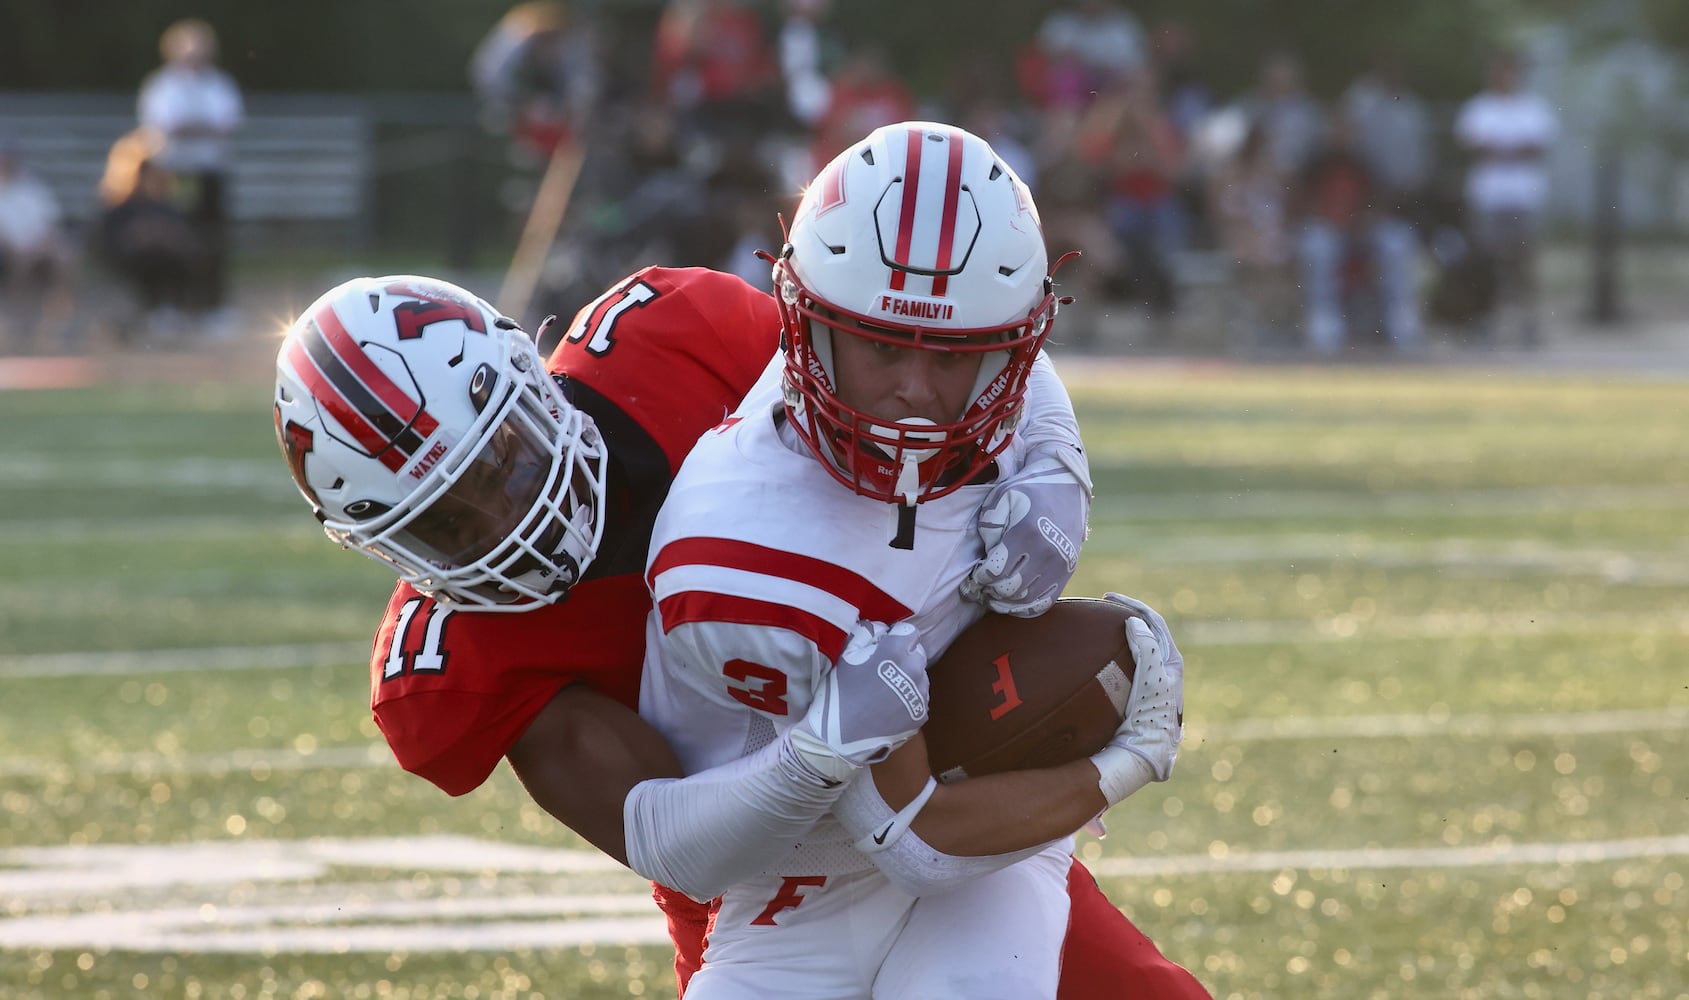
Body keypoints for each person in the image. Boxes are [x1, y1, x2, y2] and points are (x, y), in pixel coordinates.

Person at [273, 263, 1203, 995]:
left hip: (940, 748)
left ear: (528, 378)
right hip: (771, 894)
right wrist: (819, 751)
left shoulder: (671, 340)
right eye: (446, 525)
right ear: (385, 549)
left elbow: (932, 343)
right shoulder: (452, 668)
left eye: (503, 466)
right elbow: (683, 843)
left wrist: (1052, 460)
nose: (505, 523)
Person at [639, 121, 1198, 998]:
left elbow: (1019, 364)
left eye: (954, 356)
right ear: (807, 328)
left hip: (980, 835)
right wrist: (1131, 756)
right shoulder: (742, 550)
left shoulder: (983, 365)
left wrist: (1057, 467)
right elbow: (917, 843)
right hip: (801, 870)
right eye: (882, 347)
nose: (916, 391)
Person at [137, 17, 243, 329]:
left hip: (209, 175)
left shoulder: (220, 85)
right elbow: (167, 127)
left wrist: (190, 129)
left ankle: (211, 307)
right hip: (172, 176)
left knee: (211, 241)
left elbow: (225, 126)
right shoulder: (161, 87)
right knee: (168, 237)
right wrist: (201, 129)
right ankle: (166, 305)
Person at [1454, 48, 1558, 348]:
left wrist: (1500, 148)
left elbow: (1538, 146)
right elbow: (1472, 144)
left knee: (1524, 264)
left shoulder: (1534, 108)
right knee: (1485, 262)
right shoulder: (1480, 107)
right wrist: (1511, 149)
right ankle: (1483, 322)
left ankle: (1529, 323)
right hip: (1488, 196)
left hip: (1523, 197)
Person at [91, 128, 203, 342]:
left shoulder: (166, 206)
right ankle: (149, 313)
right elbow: (109, 242)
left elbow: (186, 237)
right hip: (131, 264)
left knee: (174, 256)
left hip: (168, 262)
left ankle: (168, 313)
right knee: (152, 257)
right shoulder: (118, 207)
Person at [0, 135, 75, 351]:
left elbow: (51, 226)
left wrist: (39, 248)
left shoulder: (32, 188)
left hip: (36, 249)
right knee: (14, 261)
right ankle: (17, 323)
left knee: (64, 258)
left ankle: (59, 322)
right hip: (7, 253)